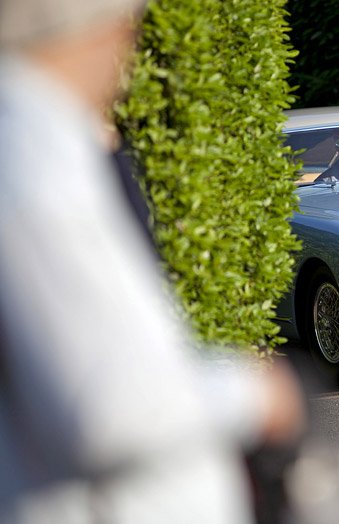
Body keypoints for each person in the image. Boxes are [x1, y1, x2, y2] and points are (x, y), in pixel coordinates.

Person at [0, 1, 306, 523]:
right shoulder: (31, 156)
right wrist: (259, 392)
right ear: (105, 29)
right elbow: (109, 408)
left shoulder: (43, 143)